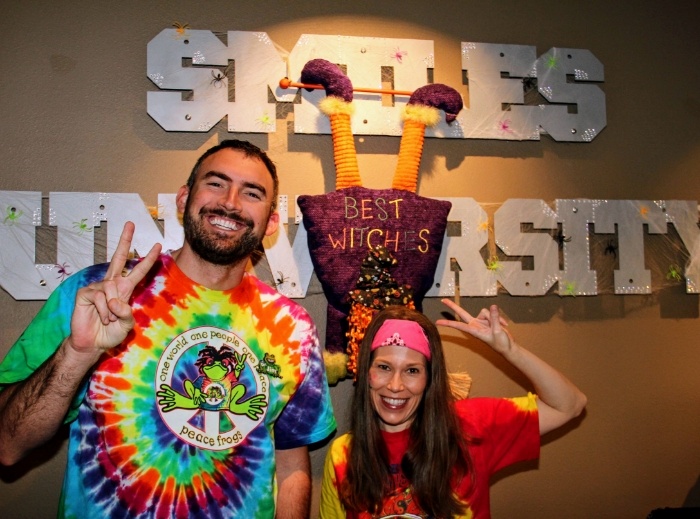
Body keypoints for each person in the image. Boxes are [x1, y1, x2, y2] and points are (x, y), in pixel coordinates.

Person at [0, 139, 336, 519]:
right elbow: (8, 445)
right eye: (215, 182)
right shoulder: (94, 295)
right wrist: (77, 354)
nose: (230, 201)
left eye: (252, 193)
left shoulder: (293, 328)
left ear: (271, 221)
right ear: (183, 199)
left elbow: (290, 461)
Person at [320, 301, 586, 518]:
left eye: (412, 371)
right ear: (367, 373)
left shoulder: (471, 428)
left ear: (429, 378)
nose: (395, 385)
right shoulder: (343, 454)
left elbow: (570, 405)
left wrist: (510, 350)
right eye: (384, 367)